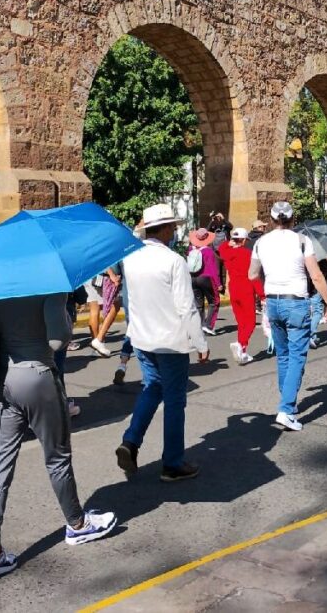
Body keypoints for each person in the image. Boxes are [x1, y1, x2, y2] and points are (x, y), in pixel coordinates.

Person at [0, 292, 117, 582]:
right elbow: (57, 340)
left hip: (2, 380)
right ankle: (77, 524)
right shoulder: (47, 283)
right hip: (38, 375)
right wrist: (64, 309)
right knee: (57, 457)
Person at [116, 204, 208, 482]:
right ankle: (173, 462)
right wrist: (200, 343)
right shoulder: (173, 261)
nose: (175, 231)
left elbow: (127, 301)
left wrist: (132, 331)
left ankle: (131, 440)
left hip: (143, 338)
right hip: (170, 341)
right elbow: (187, 307)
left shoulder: (130, 258)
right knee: (175, 401)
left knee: (152, 388)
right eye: (173, 227)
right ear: (165, 228)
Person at [249, 201, 327, 431]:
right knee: (297, 356)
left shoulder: (260, 242)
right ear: (292, 219)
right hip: (295, 302)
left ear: (272, 219)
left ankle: (288, 402)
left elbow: (252, 274)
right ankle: (286, 409)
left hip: (273, 302)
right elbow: (316, 275)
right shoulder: (301, 240)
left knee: (283, 355)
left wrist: (270, 280)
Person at [219, 227, 255, 365]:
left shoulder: (227, 253)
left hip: (233, 288)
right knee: (250, 321)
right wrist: (262, 295)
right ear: (245, 240)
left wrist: (228, 243)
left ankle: (243, 352)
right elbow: (254, 275)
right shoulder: (247, 254)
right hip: (246, 287)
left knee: (241, 322)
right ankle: (241, 344)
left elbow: (222, 249)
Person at [188, 227, 221, 335]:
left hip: (193, 278)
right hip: (206, 278)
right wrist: (218, 284)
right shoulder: (208, 251)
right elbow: (213, 269)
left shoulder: (190, 249)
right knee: (214, 302)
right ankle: (209, 325)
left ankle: (199, 325)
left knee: (198, 304)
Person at [90, 263, 122, 357]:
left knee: (94, 309)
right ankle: (99, 340)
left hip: (90, 274)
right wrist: (112, 274)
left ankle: (97, 345)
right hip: (102, 275)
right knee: (115, 305)